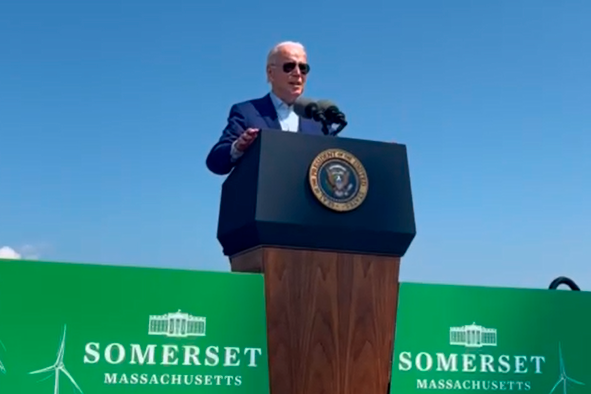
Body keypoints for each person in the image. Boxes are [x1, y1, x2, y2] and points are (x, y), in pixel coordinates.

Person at [205, 41, 326, 175]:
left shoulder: (319, 120)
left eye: (303, 68)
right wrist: (237, 148)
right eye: (289, 66)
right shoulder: (247, 112)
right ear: (271, 73)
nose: (298, 73)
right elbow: (215, 162)